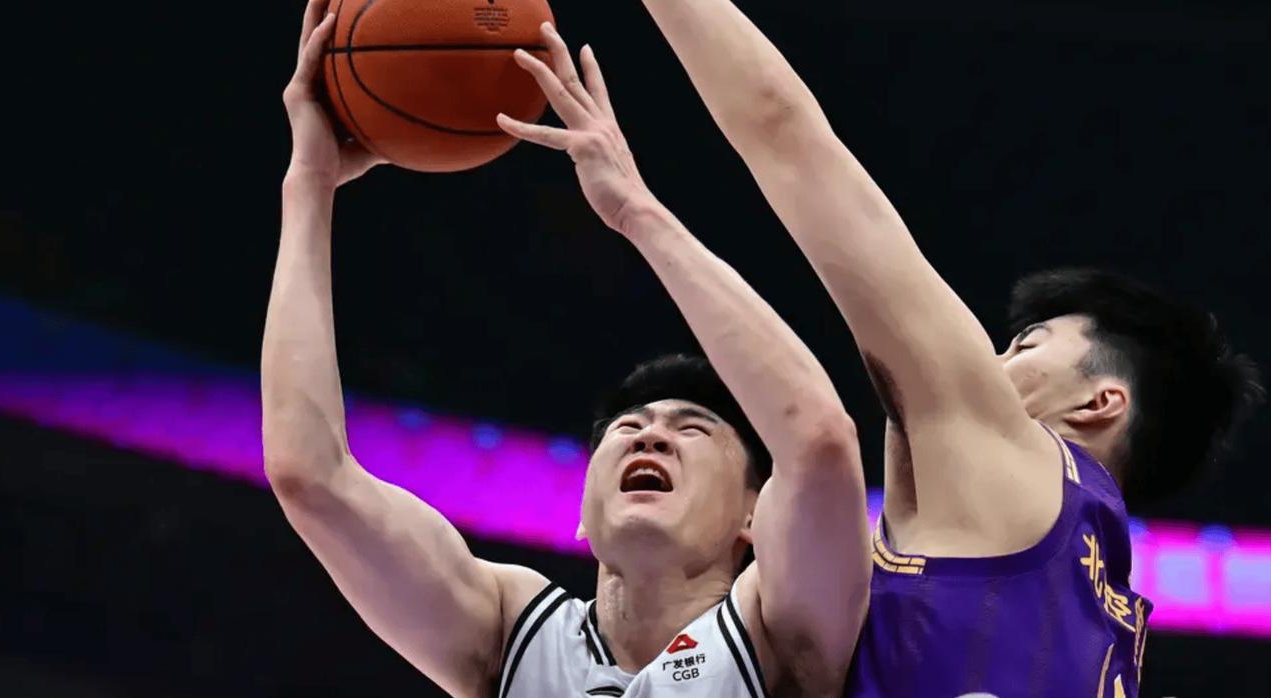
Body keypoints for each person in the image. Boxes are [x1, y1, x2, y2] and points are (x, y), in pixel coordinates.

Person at [632, 2, 1265, 696]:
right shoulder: (1110, 629)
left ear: (1100, 402)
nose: (990, 364)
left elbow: (786, 133)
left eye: (1026, 345)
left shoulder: (1015, 462)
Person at [262, 2, 870, 696]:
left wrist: (636, 211)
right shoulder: (508, 630)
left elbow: (819, 441)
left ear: (755, 516)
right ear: (581, 512)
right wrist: (308, 184)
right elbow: (309, 475)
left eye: (693, 429)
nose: (651, 437)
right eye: (627, 429)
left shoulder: (779, 635)